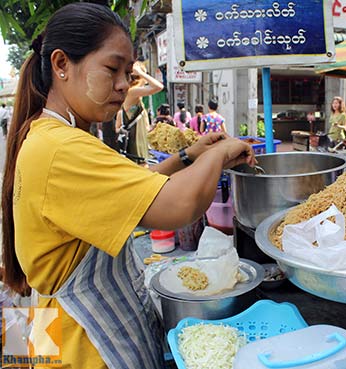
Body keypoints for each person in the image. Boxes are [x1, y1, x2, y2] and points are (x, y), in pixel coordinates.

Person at [0, 4, 256, 369]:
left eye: (128, 73)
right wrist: (221, 154)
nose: (124, 84)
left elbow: (135, 192)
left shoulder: (47, 134)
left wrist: (189, 156)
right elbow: (179, 207)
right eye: (112, 69)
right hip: (83, 343)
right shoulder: (63, 149)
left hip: (52, 323)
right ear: (61, 65)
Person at [115, 60, 164, 161]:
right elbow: (159, 87)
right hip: (137, 145)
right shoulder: (132, 92)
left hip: (139, 142)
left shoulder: (133, 94)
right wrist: (141, 73)